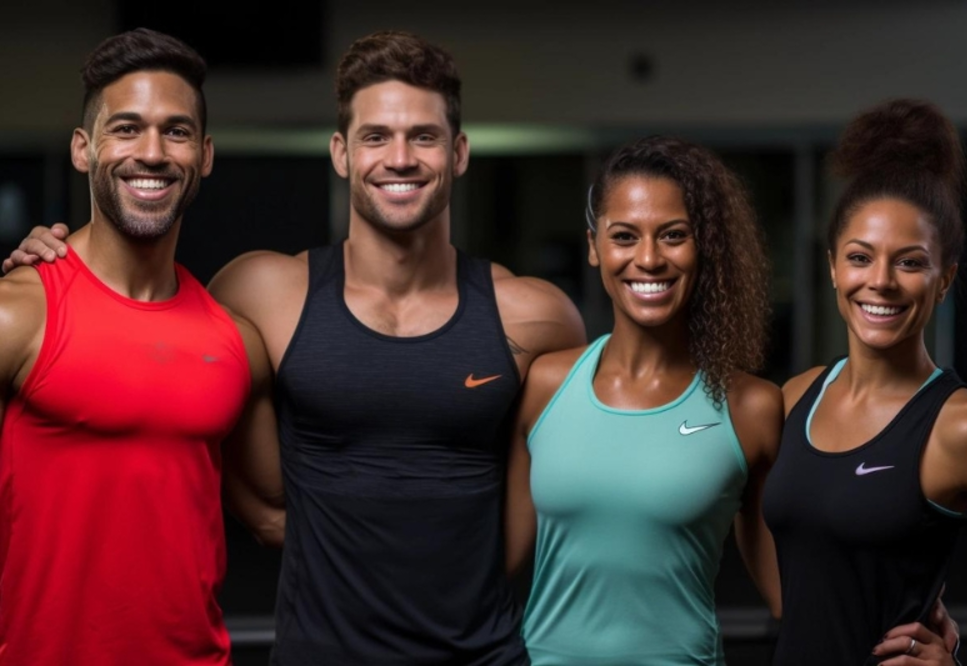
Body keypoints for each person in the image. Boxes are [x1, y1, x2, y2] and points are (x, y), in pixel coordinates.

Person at [3, 30, 585, 664]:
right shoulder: (255, 295)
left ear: (459, 152)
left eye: (424, 136)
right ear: (340, 153)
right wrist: (50, 268)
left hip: (480, 653)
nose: (400, 158)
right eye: (374, 137)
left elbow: (565, 489)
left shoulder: (537, 316)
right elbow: (258, 503)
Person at [0, 28, 271, 665]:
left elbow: (278, 518)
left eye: (176, 132)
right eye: (126, 128)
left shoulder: (237, 342)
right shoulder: (19, 314)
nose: (152, 152)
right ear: (82, 149)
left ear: (203, 156)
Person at [504, 135, 784, 665]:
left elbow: (792, 597)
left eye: (673, 235)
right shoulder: (544, 386)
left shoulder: (751, 409)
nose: (649, 259)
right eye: (625, 236)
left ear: (704, 247)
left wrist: (920, 637)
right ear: (594, 247)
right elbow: (495, 565)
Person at [762, 99, 967, 665]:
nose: (881, 282)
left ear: (944, 281)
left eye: (911, 263)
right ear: (832, 268)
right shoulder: (796, 397)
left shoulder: (962, 426)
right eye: (860, 257)